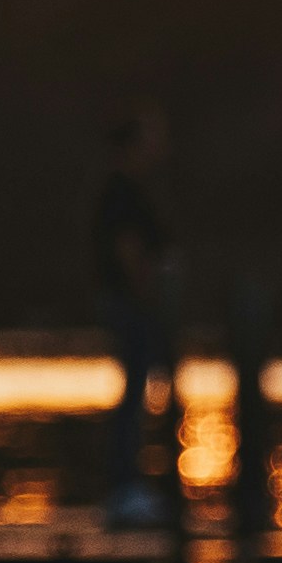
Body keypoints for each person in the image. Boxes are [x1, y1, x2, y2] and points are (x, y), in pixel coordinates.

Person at [91, 102, 183, 529]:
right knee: (133, 398)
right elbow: (128, 251)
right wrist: (151, 296)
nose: (159, 148)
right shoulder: (123, 192)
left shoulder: (132, 189)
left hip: (132, 305)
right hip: (131, 306)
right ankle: (125, 489)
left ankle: (135, 486)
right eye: (151, 140)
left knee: (140, 394)